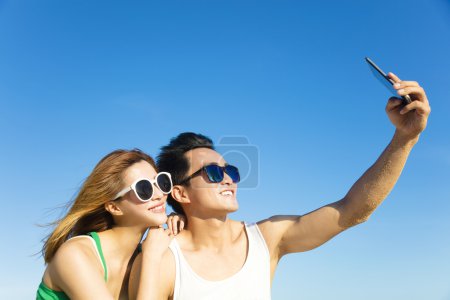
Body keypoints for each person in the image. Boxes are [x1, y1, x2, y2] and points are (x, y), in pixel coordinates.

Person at [128, 73, 431, 300]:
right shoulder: (163, 258)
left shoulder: (268, 238)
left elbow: (353, 211)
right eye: (213, 173)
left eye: (230, 169)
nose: (230, 178)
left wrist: (405, 139)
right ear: (180, 192)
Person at [36, 149, 185, 299]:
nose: (159, 195)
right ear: (114, 207)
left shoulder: (145, 255)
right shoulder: (76, 254)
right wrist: (152, 258)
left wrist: (186, 228)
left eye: (161, 182)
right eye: (144, 189)